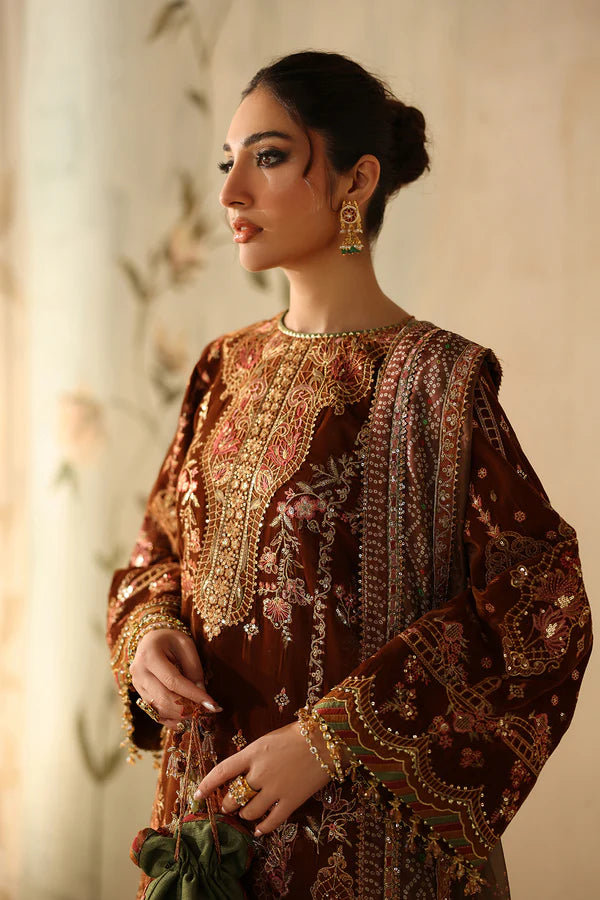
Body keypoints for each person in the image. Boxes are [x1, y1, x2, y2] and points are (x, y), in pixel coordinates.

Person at [107, 51, 592, 899]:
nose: (230, 195)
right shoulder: (227, 367)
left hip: (366, 847)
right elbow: (160, 552)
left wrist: (334, 740)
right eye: (229, 162)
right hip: (202, 830)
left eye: (268, 156)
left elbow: (541, 610)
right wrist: (147, 637)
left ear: (355, 179)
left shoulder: (439, 383)